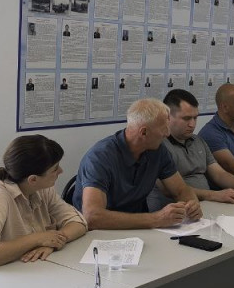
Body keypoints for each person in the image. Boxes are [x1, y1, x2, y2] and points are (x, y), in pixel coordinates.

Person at [0, 135, 87, 281]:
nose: (61, 171)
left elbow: (78, 222)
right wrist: (38, 239)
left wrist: (52, 243)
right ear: (33, 179)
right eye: (55, 169)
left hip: (8, 275)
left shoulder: (41, 188)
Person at [73, 98, 202, 229]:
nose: (167, 133)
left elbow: (180, 190)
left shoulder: (157, 150)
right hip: (99, 232)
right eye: (163, 128)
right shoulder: (100, 157)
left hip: (139, 227)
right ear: (143, 132)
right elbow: (93, 217)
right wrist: (157, 218)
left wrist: (192, 204)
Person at [148, 90, 234, 211]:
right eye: (186, 118)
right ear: (168, 117)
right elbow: (169, 189)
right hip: (172, 213)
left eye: (195, 118)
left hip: (205, 207)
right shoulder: (157, 146)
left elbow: (219, 174)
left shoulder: (198, 141)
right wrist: (213, 195)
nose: (192, 124)